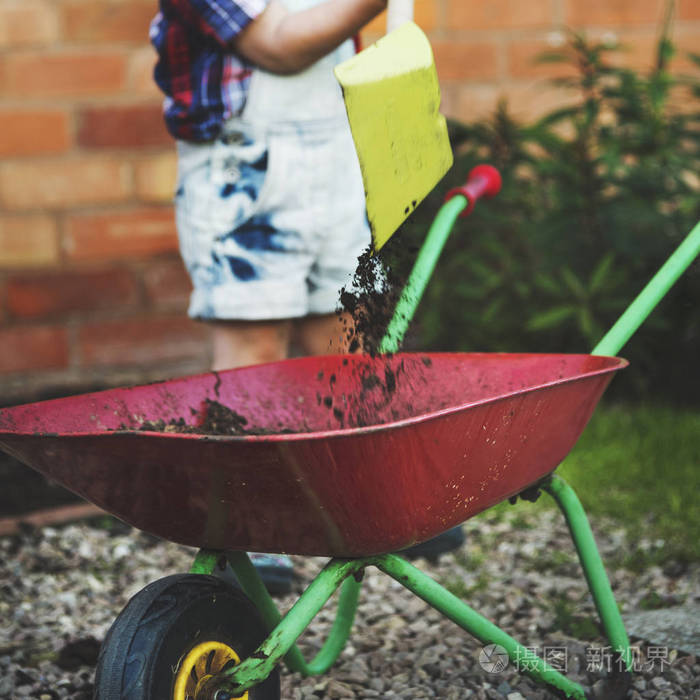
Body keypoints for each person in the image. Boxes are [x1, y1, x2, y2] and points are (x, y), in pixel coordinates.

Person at [150, 0, 462, 592]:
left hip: (337, 160)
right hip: (245, 171)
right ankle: (248, 528)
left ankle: (358, 507)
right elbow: (279, 45)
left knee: (344, 336)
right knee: (253, 348)